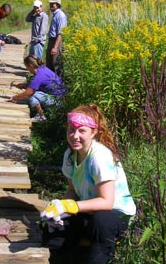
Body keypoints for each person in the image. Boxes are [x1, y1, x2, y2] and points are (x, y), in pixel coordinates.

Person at [40, 103, 136, 263]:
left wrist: (71, 206)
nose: (75, 136)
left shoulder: (99, 157)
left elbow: (107, 202)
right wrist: (59, 208)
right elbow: (72, 191)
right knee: (53, 227)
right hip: (89, 210)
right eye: (71, 130)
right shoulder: (70, 155)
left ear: (94, 132)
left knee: (101, 222)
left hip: (116, 213)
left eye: (81, 131)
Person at [7, 55, 67, 122]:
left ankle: (41, 116)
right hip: (62, 98)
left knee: (32, 94)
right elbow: (41, 84)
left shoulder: (39, 76)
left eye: (26, 67)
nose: (27, 69)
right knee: (32, 91)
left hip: (57, 101)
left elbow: (28, 93)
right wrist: (25, 85)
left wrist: (14, 98)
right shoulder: (43, 69)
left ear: (30, 65)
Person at [46, 0, 67, 76]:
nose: (51, 5)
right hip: (52, 40)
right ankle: (50, 85)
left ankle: (58, 86)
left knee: (56, 65)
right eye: (50, 3)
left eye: (53, 4)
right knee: (49, 64)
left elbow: (60, 33)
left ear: (58, 5)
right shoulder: (55, 15)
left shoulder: (60, 16)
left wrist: (55, 47)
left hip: (56, 41)